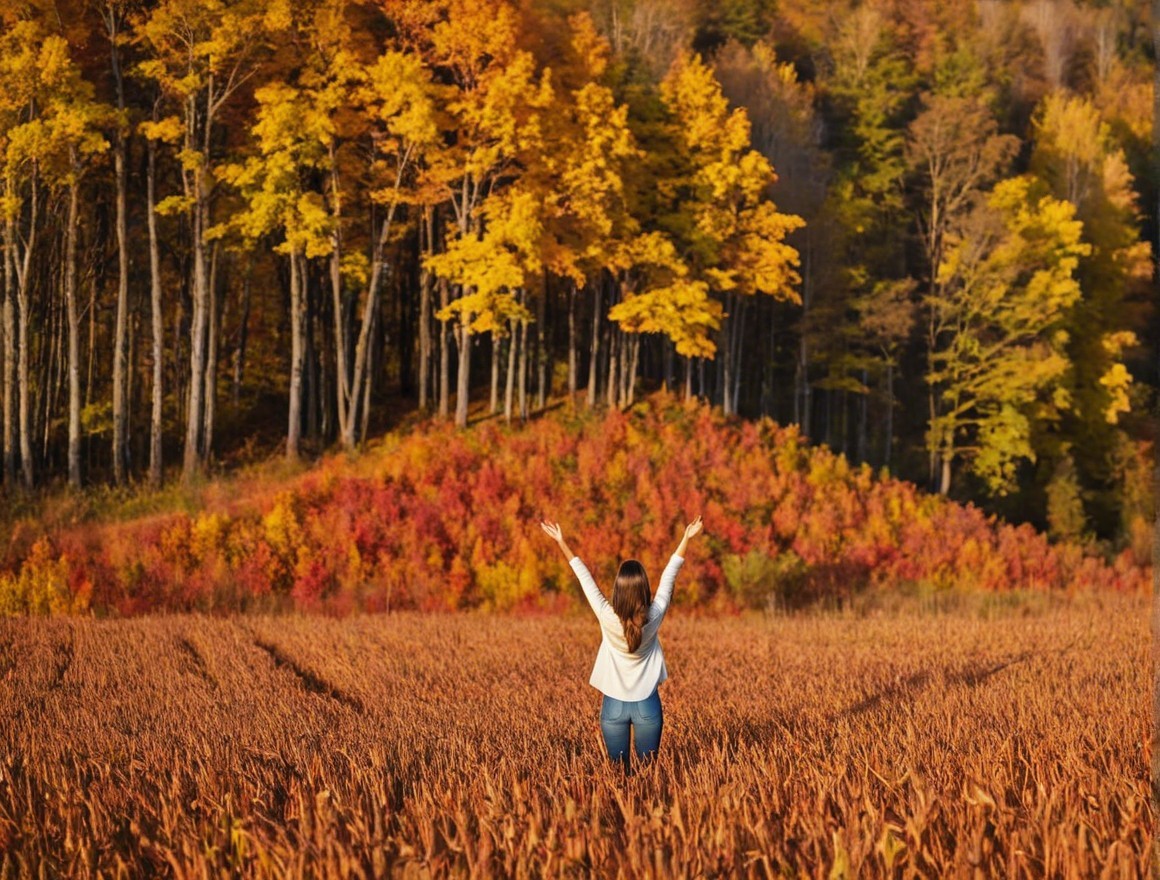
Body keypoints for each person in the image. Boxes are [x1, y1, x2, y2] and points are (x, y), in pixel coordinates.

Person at [539, 515, 704, 771]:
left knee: (618, 776)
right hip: (647, 705)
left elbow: (584, 578)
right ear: (645, 590)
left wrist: (561, 541)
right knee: (647, 776)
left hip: (613, 707)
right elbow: (670, 574)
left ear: (618, 590)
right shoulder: (655, 615)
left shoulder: (607, 616)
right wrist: (686, 537)